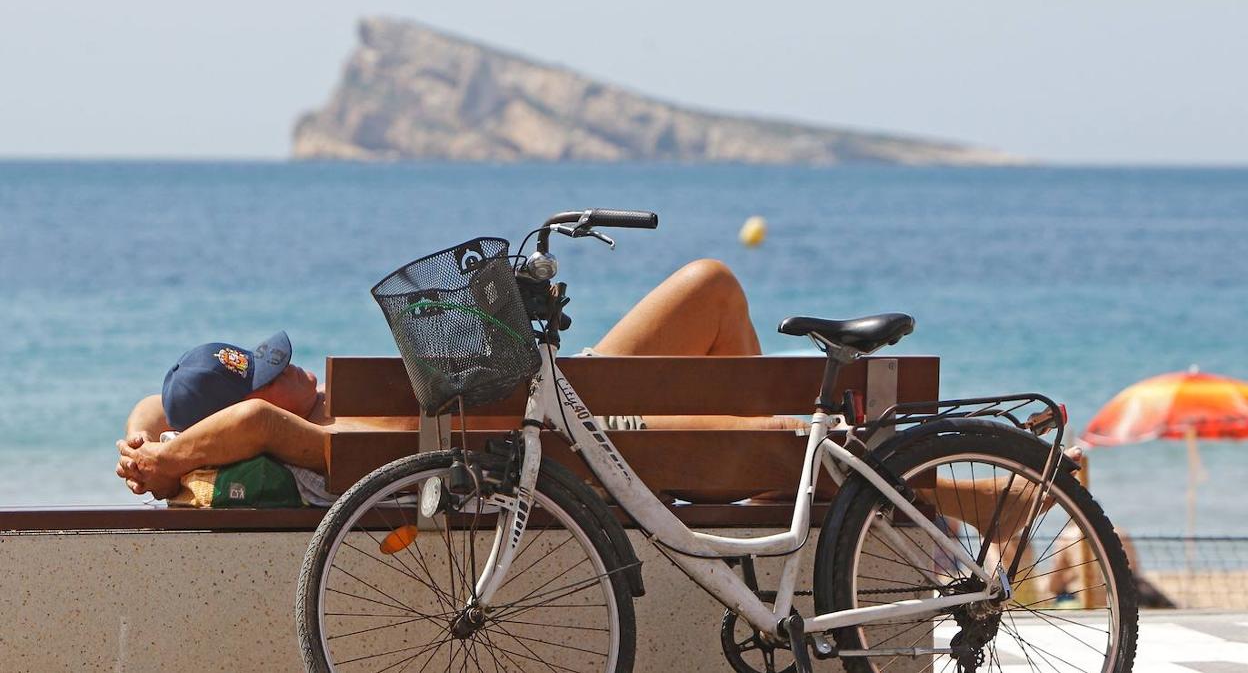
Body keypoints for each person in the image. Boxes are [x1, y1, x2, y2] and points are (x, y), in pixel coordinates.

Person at [117, 258, 1075, 534]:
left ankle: (989, 498)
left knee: (771, 431)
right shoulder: (315, 444)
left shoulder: (307, 448)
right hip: (582, 449)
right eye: (284, 371)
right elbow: (245, 417)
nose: (305, 376)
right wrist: (170, 453)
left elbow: (184, 419)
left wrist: (148, 446)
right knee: (710, 288)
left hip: (589, 444)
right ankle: (994, 494)